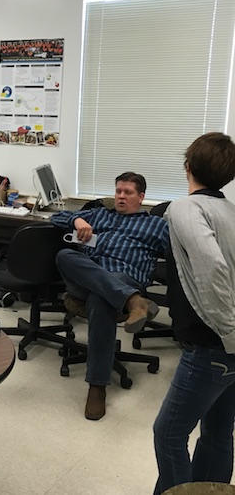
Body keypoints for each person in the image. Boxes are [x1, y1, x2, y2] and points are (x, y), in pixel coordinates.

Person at [153, 132, 235, 494]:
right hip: (229, 346)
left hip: (213, 344)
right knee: (218, 432)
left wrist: (230, 335)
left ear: (187, 166)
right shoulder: (229, 210)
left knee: (168, 432)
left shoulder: (185, 207)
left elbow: (212, 270)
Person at [51, 172, 169, 420]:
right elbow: (56, 216)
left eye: (128, 192)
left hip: (125, 277)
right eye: (118, 191)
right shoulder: (100, 214)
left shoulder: (156, 226)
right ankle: (133, 301)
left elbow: (181, 249)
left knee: (101, 298)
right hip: (86, 278)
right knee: (65, 255)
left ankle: (97, 386)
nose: (121, 197)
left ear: (141, 197)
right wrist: (77, 222)